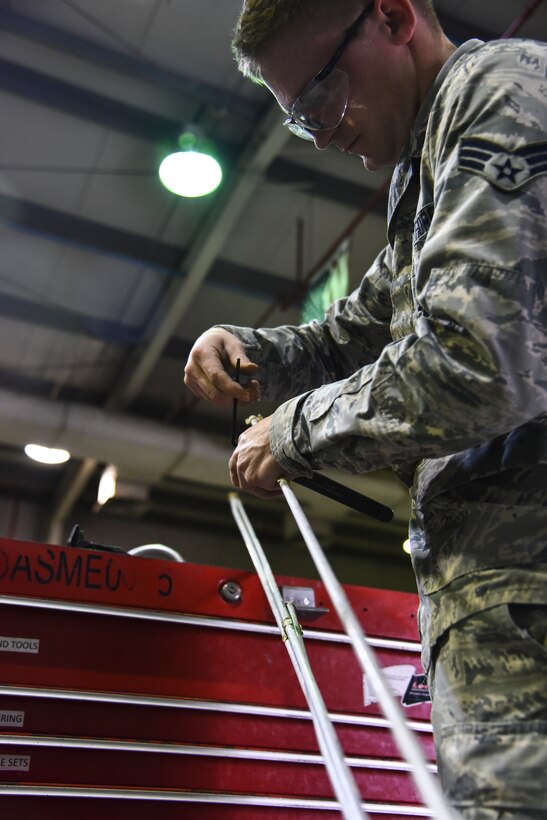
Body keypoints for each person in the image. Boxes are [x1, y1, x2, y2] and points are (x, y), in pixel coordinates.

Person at [184, 1, 547, 816]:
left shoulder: (495, 95)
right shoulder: (423, 174)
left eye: (320, 97)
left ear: (390, 16)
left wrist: (294, 430)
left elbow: (472, 366)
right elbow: (357, 330)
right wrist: (248, 349)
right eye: (297, 118)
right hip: (503, 611)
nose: (319, 132)